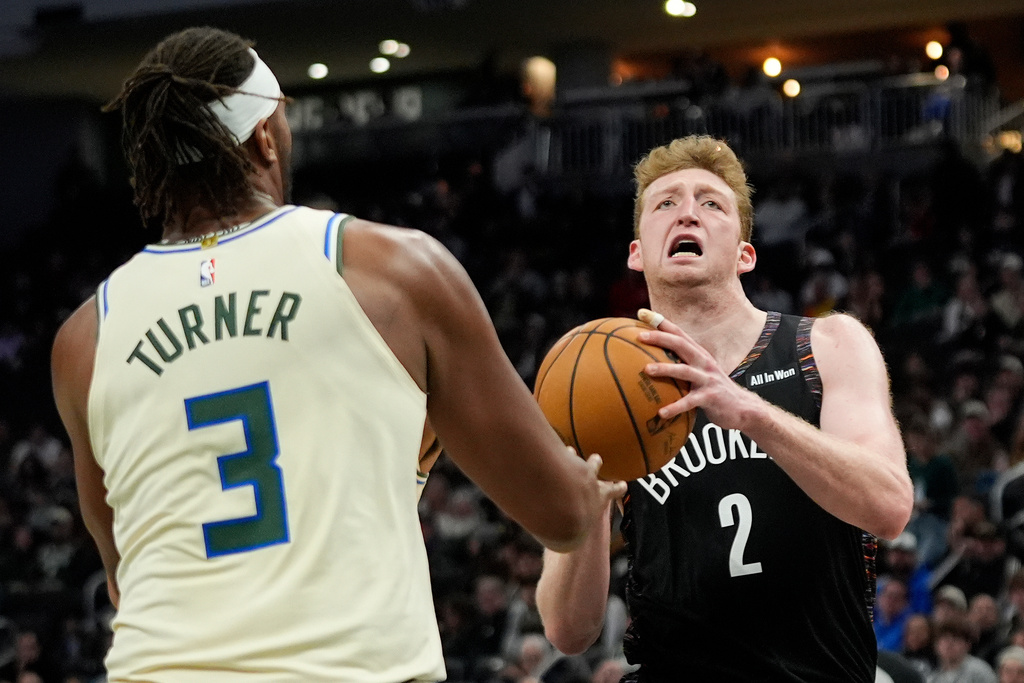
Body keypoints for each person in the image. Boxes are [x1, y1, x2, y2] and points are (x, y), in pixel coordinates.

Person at [50, 27, 625, 682]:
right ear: (264, 135)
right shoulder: (393, 271)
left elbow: (127, 576)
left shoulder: (84, 339)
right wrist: (588, 482)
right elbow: (562, 514)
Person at [536, 135, 913, 681]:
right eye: (665, 203)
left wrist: (750, 411)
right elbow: (568, 632)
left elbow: (890, 505)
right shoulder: (595, 386)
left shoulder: (827, 345)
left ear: (745, 253)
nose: (687, 213)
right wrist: (588, 506)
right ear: (636, 251)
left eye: (711, 203)